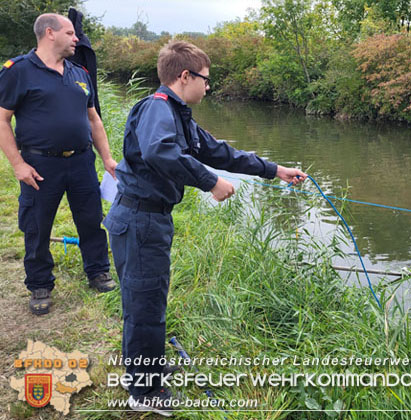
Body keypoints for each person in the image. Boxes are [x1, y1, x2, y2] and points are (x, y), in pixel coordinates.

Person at [103, 40, 307, 416]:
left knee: (150, 299)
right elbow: (160, 151)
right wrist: (211, 183)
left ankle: (146, 365)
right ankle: (143, 391)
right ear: (185, 76)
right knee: (144, 304)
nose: (208, 86)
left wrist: (275, 170)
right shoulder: (156, 109)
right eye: (205, 79)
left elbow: (220, 152)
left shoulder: (179, 115)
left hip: (151, 219)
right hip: (139, 220)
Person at [0, 13, 117, 316]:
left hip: (81, 161)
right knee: (37, 226)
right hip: (40, 165)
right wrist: (18, 165)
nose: (77, 38)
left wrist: (107, 159)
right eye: (70, 33)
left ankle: (98, 271)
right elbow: (2, 120)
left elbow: (94, 120)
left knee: (91, 219)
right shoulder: (19, 71)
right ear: (49, 33)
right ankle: (39, 284)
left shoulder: (79, 72)